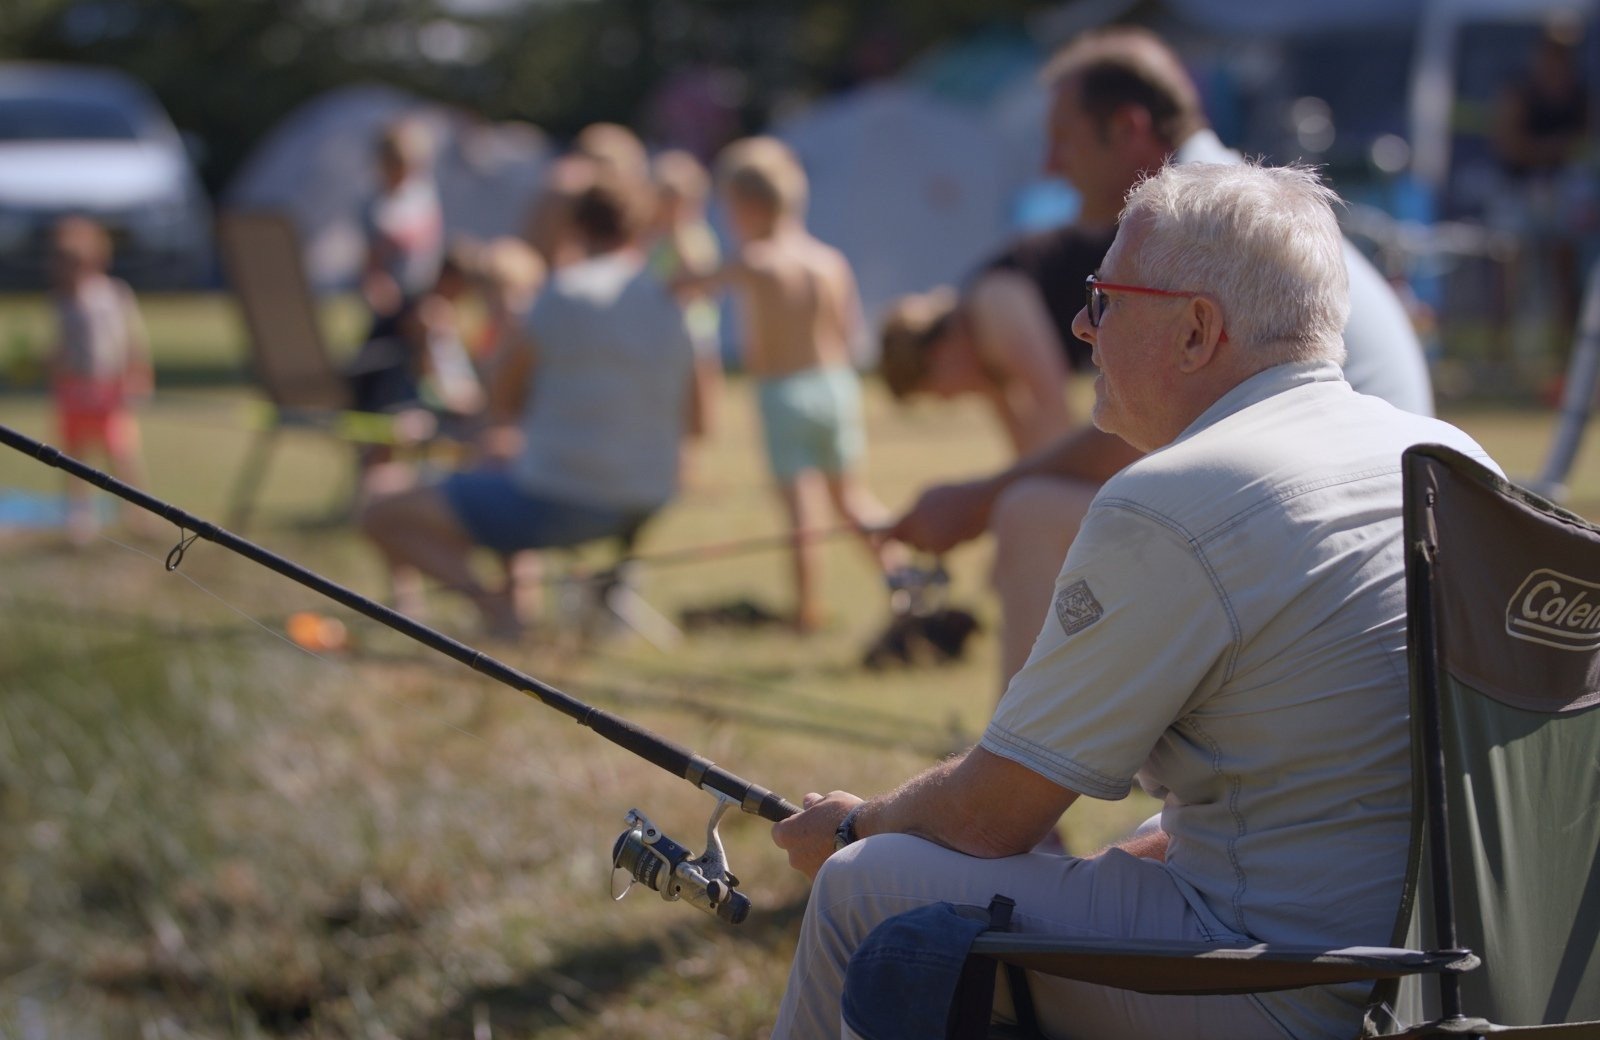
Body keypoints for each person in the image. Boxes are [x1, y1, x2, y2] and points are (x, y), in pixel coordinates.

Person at [769, 159, 1500, 1040]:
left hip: (1291, 986)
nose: (1082, 325)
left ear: (1196, 331)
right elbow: (1325, 782)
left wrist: (856, 825)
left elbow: (989, 820)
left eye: (1106, 299)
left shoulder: (1173, 496)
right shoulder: (1453, 458)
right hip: (1458, 977)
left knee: (861, 886)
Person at [891, 27, 1436, 691]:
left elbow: (1129, 439)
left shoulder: (1204, 219)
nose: (1051, 167)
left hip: (1337, 539)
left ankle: (1022, 745)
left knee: (1029, 512)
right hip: (1372, 518)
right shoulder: (1228, 200)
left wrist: (979, 500)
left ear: (1128, 128)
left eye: (1063, 140)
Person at [358, 172, 698, 636]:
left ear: (576, 227)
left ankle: (499, 613)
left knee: (378, 506)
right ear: (640, 230)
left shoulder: (561, 294)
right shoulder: (672, 302)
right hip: (650, 493)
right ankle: (513, 608)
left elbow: (503, 399)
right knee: (506, 466)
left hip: (560, 498)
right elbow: (700, 416)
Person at [678, 136, 902, 632]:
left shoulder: (755, 260)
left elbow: (691, 283)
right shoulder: (829, 261)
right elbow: (848, 332)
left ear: (747, 206)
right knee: (851, 499)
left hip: (783, 392)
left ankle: (806, 612)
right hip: (836, 386)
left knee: (802, 511)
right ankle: (902, 575)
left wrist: (675, 235)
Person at [47, 215, 153, 545]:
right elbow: (60, 347)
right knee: (74, 456)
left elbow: (133, 340)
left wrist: (137, 375)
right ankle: (80, 518)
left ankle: (137, 514)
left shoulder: (114, 294)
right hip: (73, 390)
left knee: (121, 453)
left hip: (108, 389)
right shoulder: (61, 301)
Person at [646, 148, 725, 484]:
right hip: (655, 335)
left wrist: (677, 230)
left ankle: (686, 465)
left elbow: (703, 282)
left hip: (694, 334)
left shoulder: (695, 235)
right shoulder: (646, 237)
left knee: (694, 407)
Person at [360, 118, 444, 341]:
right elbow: (371, 258)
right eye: (394, 163)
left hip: (424, 289)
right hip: (392, 296)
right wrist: (376, 283)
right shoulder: (373, 205)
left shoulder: (422, 194)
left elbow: (430, 241)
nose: (400, 170)